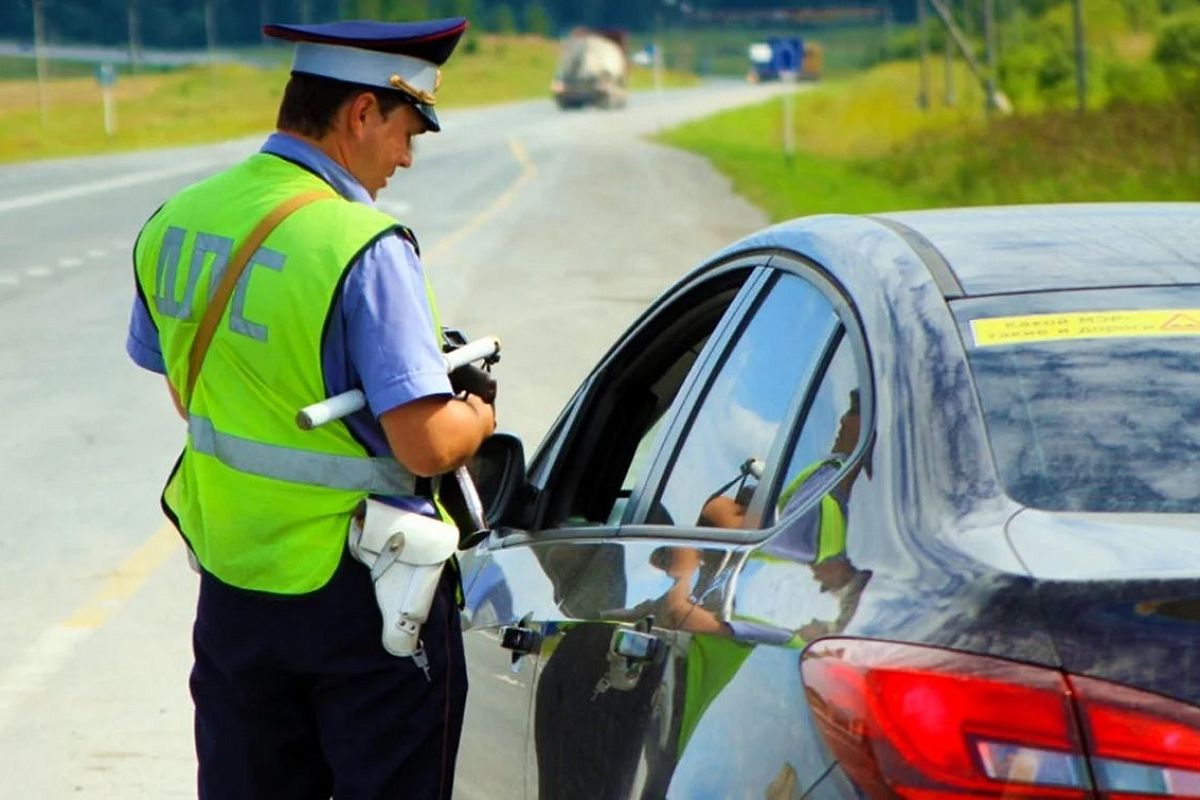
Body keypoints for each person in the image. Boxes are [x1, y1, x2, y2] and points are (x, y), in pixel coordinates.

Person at [124, 16, 496, 800]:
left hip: (234, 582)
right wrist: (480, 416)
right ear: (361, 113)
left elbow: (189, 393)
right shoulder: (363, 242)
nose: (404, 157)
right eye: (405, 131)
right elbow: (426, 443)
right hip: (361, 596)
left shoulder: (180, 216)